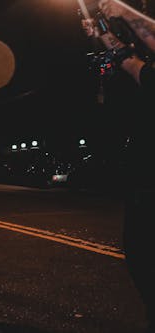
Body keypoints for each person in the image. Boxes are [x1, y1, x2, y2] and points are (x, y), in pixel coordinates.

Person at [82, 2, 155, 331]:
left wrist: (123, 11)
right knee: (139, 253)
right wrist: (101, 33)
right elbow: (128, 61)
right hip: (143, 183)